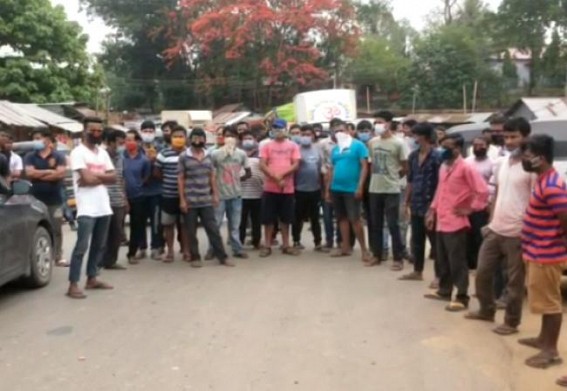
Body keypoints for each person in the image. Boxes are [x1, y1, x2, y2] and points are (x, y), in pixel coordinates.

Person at [465, 118, 535, 336]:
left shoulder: (532, 167)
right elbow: (496, 195)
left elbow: (535, 201)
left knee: (514, 283)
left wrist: (528, 230)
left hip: (518, 232)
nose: (509, 141)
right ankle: (486, 310)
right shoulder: (502, 163)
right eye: (506, 137)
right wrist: (491, 222)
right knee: (482, 273)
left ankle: (511, 322)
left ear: (526, 137)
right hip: (496, 229)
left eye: (514, 136)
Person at [515, 135, 567, 373]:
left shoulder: (552, 186)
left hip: (546, 255)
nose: (524, 159)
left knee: (551, 304)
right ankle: (542, 339)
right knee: (544, 302)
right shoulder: (543, 180)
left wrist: (556, 244)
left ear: (540, 158)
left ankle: (551, 351)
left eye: (527, 155)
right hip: (537, 251)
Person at [424, 133, 489, 312]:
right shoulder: (444, 167)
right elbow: (440, 190)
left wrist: (471, 208)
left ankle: (462, 296)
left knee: (457, 260)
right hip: (441, 219)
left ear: (458, 149)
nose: (443, 150)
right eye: (442, 146)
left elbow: (482, 191)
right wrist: (432, 211)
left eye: (448, 147)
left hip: (456, 221)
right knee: (442, 257)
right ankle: (444, 290)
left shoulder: (466, 168)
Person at [67, 117, 116, 299]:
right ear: (84, 132)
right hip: (86, 208)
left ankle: (92, 278)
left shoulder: (102, 153)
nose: (96, 133)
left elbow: (113, 178)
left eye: (99, 131)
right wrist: (101, 177)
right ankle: (73, 284)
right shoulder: (77, 152)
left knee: (99, 245)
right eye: (92, 130)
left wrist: (93, 177)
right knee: (81, 246)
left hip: (104, 206)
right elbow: (86, 180)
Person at [179, 128, 232, 267]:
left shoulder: (209, 155)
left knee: (213, 230)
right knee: (191, 231)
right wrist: (182, 200)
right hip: (190, 200)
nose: (198, 140)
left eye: (201, 137)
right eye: (195, 137)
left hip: (206, 200)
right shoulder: (184, 156)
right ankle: (195, 257)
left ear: (204, 139)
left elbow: (212, 177)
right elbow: (181, 178)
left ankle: (222, 257)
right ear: (190, 139)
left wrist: (215, 194)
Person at [367, 111, 409, 270]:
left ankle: (398, 258)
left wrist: (395, 179)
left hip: (392, 188)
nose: (377, 125)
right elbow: (372, 163)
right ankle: (377, 255)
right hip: (375, 188)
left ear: (389, 123)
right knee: (375, 223)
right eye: (375, 122)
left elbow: (405, 166)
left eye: (381, 122)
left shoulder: (399, 143)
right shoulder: (372, 142)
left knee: (393, 224)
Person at [400, 123, 441, 282]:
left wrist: (435, 206)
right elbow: (410, 180)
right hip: (416, 202)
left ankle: (439, 276)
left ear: (424, 136)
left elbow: (441, 183)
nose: (413, 137)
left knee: (435, 243)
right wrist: (406, 201)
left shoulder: (437, 156)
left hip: (432, 203)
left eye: (416, 134)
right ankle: (417, 271)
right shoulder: (413, 156)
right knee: (417, 240)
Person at [326, 120, 371, 262]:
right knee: (341, 219)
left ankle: (364, 249)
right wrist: (328, 189)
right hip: (336, 188)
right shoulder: (335, 149)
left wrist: (360, 186)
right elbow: (331, 170)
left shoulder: (358, 146)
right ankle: (345, 247)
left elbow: (364, 166)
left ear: (349, 131)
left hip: (351, 188)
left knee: (355, 219)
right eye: (336, 131)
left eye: (342, 130)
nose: (339, 133)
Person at [24, 130, 68, 267]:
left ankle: (58, 256)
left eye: (38, 138)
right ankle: (40, 255)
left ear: (47, 140)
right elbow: (29, 173)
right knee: (37, 228)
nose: (35, 141)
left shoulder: (59, 156)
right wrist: (49, 172)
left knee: (56, 228)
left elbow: (60, 174)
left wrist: (39, 176)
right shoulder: (30, 156)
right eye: (34, 139)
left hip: (55, 199)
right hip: (35, 199)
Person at [259, 118, 301, 257]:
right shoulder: (267, 146)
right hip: (270, 188)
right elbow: (262, 164)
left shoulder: (293, 146)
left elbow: (295, 164)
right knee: (268, 220)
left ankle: (286, 245)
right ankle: (267, 246)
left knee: (286, 219)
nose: (278, 131)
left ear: (286, 129)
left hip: (287, 188)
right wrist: (275, 177)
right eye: (276, 128)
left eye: (281, 128)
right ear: (272, 130)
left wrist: (281, 175)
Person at [209, 125, 251, 259]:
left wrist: (238, 180)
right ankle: (213, 249)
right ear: (223, 138)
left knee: (235, 225)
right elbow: (210, 172)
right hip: (220, 195)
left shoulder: (241, 154)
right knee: (216, 224)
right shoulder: (215, 154)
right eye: (227, 136)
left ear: (237, 139)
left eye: (232, 136)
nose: (230, 138)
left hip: (236, 195)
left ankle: (237, 248)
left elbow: (248, 172)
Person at [156, 125, 190, 263]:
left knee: (185, 225)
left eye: (181, 136)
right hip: (168, 195)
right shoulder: (163, 154)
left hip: (187, 195)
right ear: (170, 138)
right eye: (175, 136)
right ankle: (170, 251)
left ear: (186, 138)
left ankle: (186, 251)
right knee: (168, 225)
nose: (178, 139)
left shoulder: (190, 153)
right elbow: (157, 173)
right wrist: (169, 179)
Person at [292, 124, 324, 251]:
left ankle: (318, 242)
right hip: (299, 189)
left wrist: (322, 188)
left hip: (315, 189)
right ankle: (296, 241)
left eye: (308, 135)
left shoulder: (317, 149)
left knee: (315, 218)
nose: (305, 137)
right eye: (303, 135)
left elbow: (320, 168)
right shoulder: (295, 149)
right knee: (297, 217)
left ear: (313, 136)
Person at [464, 136, 495, 270]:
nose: (478, 148)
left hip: (483, 205)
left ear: (487, 146)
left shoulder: (493, 164)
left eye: (481, 145)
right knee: (467, 234)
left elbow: (493, 185)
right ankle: (469, 263)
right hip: (467, 204)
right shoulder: (467, 162)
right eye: (475, 145)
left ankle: (479, 264)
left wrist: (489, 203)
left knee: (479, 234)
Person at [123, 130, 152, 265]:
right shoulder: (120, 157)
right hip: (121, 196)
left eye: (131, 140)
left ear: (138, 142)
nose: (129, 143)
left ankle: (132, 253)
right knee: (117, 226)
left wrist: (139, 184)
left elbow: (147, 176)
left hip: (139, 196)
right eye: (127, 140)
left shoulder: (144, 160)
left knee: (136, 225)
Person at [101, 129, 128, 270]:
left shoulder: (121, 157)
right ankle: (99, 260)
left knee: (117, 232)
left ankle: (111, 261)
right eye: (119, 142)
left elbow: (122, 178)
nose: (122, 145)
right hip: (103, 199)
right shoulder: (100, 156)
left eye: (123, 142)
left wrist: (125, 199)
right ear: (110, 142)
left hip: (118, 200)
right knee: (102, 233)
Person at [139, 120, 164, 260]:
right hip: (140, 191)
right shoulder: (136, 149)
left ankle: (156, 247)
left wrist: (154, 161)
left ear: (154, 132)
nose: (148, 133)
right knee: (140, 221)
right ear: (141, 132)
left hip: (156, 191)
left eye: (150, 130)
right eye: (145, 130)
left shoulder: (160, 148)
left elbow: (163, 169)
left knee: (156, 221)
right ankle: (141, 247)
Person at [239, 130, 264, 250]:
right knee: (241, 221)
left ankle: (256, 241)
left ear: (255, 140)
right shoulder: (238, 154)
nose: (247, 140)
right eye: (245, 138)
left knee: (256, 221)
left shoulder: (260, 155)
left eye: (250, 138)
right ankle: (240, 242)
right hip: (241, 194)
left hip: (257, 194)